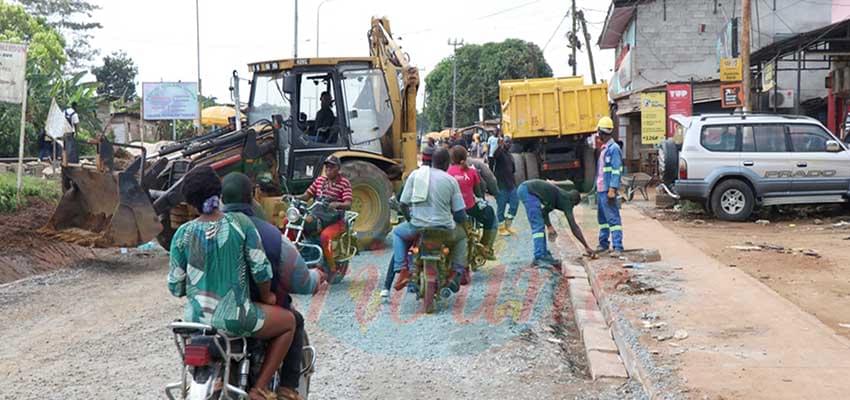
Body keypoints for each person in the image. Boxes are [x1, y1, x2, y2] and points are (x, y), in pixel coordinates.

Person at [168, 166, 296, 400]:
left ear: (190, 201)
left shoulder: (182, 234)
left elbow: (176, 287)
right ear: (219, 192)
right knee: (289, 322)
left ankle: (216, 381)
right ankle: (259, 388)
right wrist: (267, 296)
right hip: (235, 317)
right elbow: (261, 270)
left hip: (195, 322)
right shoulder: (240, 224)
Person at [221, 172, 322, 399]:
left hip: (207, 314)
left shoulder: (204, 231)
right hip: (250, 314)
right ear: (252, 198)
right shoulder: (267, 235)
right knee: (293, 321)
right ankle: (284, 389)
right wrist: (316, 277)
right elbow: (299, 281)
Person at [392, 147, 468, 292]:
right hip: (444, 230)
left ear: (432, 161)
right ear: (447, 163)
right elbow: (459, 213)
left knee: (397, 233)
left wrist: (410, 220)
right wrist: (463, 224)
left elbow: (403, 204)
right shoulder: (450, 181)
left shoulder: (415, 175)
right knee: (462, 237)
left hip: (418, 228)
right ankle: (455, 273)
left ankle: (402, 269)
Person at [517, 179, 594, 268]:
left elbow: (544, 212)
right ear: (573, 201)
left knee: (540, 224)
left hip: (526, 189)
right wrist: (586, 246)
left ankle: (544, 254)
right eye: (574, 205)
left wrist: (550, 227)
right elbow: (574, 227)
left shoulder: (558, 197)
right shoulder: (567, 201)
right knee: (538, 226)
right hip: (528, 191)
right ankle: (539, 257)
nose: (571, 208)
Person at [294, 155, 352, 273]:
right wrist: (293, 197)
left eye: (332, 166)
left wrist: (336, 204)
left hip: (335, 220)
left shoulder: (344, 183)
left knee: (325, 236)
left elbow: (348, 203)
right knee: (291, 222)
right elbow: (306, 196)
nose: (328, 169)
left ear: (338, 168)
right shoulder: (320, 180)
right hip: (318, 215)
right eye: (327, 166)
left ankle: (332, 268)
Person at [447, 145, 499, 265]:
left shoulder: (447, 172)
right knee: (490, 214)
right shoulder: (472, 171)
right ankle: (486, 248)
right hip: (470, 208)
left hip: (452, 210)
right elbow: (479, 191)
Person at [595, 116, 625, 255]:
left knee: (613, 218)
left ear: (601, 133)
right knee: (603, 219)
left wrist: (612, 189)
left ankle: (618, 246)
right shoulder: (604, 149)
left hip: (608, 190)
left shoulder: (614, 149)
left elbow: (616, 170)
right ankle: (603, 244)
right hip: (601, 190)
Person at [493, 136, 519, 236]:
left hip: (511, 185)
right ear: (503, 143)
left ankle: (508, 225)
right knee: (501, 207)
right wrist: (499, 146)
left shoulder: (510, 156)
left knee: (514, 204)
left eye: (510, 143)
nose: (508, 144)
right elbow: (495, 155)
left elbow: (513, 171)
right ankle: (501, 228)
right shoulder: (499, 154)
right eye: (507, 142)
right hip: (501, 185)